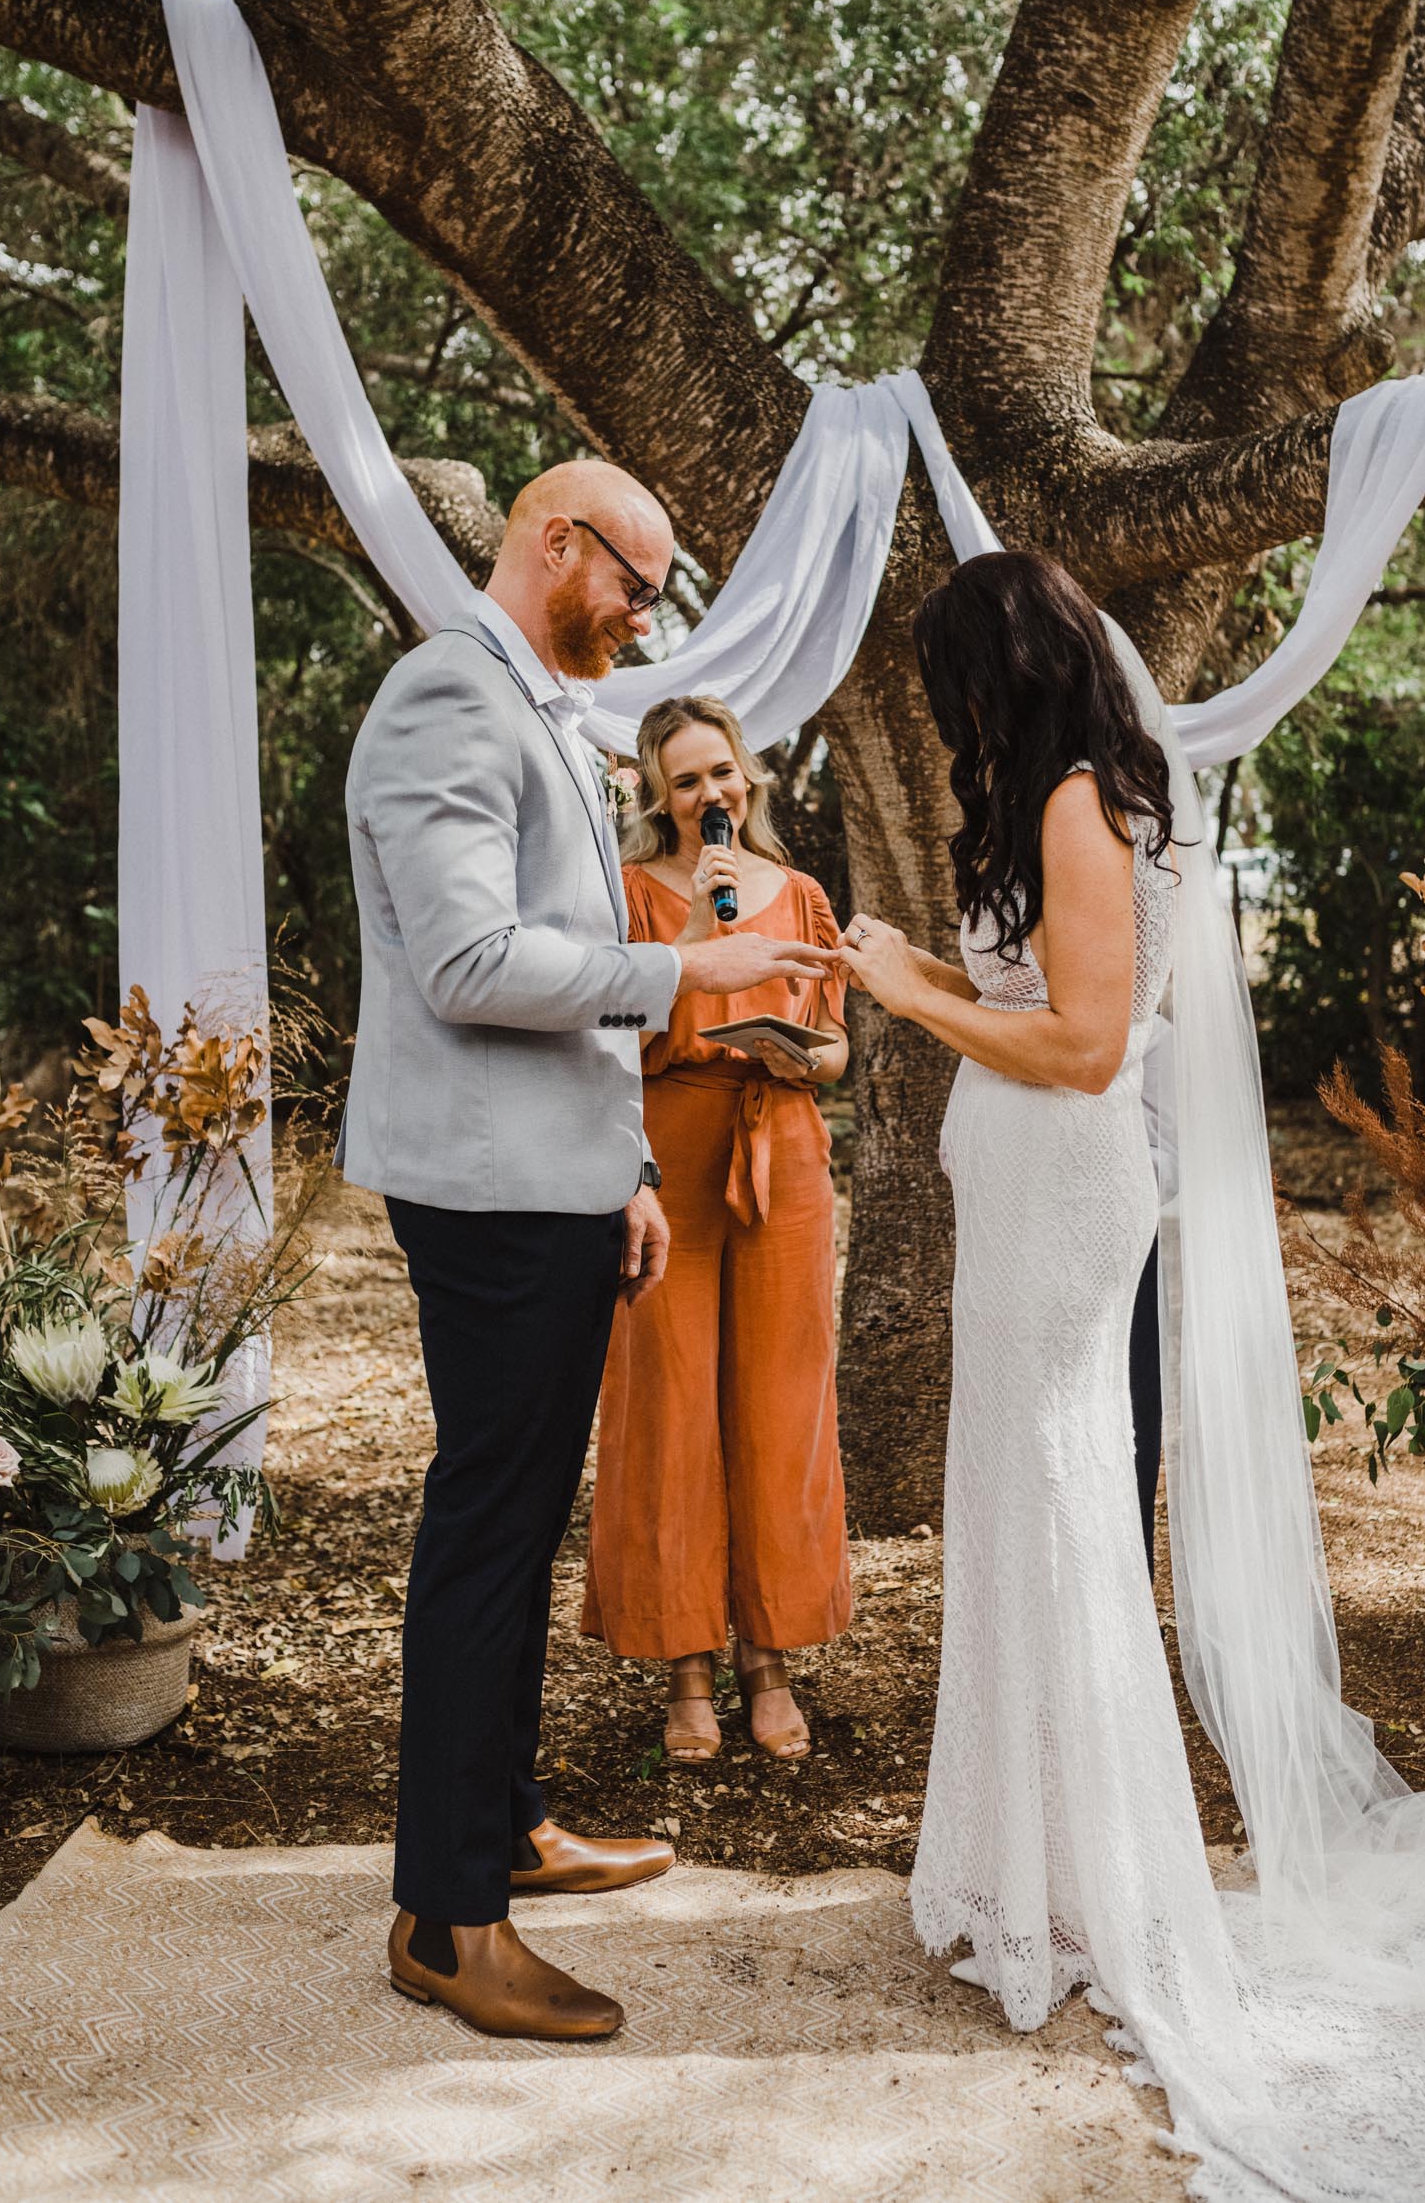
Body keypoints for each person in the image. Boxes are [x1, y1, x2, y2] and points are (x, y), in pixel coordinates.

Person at [837, 547, 1425, 2202]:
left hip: (1060, 1203)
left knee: (1056, 1509)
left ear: (1002, 673)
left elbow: (1076, 1044)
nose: (945, 719)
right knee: (1015, 1508)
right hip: (1026, 1198)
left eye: (950, 687)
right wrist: (926, 971)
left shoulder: (1073, 804)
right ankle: (1026, 1864)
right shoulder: (1063, 797)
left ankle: (1097, 1885)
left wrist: (904, 987)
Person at [340, 462, 830, 2041]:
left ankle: (508, 1828)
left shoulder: (537, 700)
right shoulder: (445, 701)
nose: (643, 612)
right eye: (635, 577)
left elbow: (544, 977)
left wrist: (623, 1161)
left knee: (523, 1516)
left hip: (553, 1179)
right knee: (489, 1530)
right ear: (556, 542)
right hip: (483, 1195)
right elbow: (477, 962)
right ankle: (445, 1919)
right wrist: (698, 970)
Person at [582, 696, 852, 1763]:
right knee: (672, 1398)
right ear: (659, 796)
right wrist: (698, 922)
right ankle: (686, 1668)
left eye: (721, 774)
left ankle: (768, 1661)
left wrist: (803, 1058)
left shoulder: (805, 896)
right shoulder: (635, 897)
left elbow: (834, 1047)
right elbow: (612, 1032)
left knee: (780, 1402)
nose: (710, 796)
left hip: (780, 1151)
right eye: (685, 780)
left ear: (751, 776)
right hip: (668, 1156)